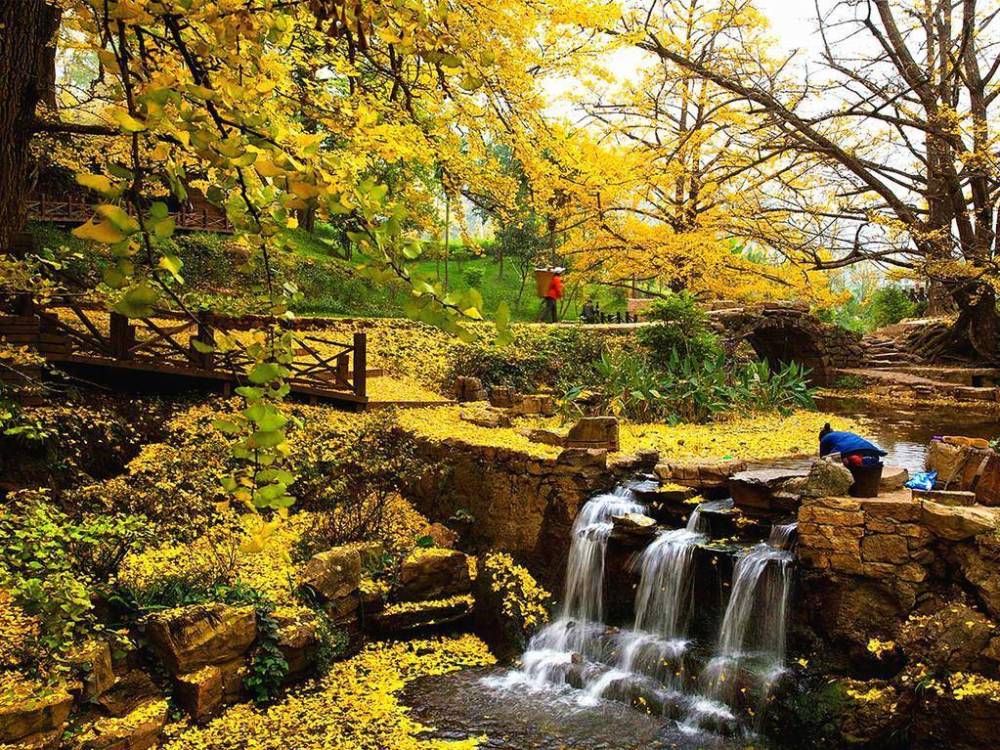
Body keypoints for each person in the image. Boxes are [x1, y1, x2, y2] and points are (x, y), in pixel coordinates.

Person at [819, 423, 887, 467]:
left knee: (828, 462)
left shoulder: (824, 439)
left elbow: (823, 459)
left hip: (852, 452)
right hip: (871, 450)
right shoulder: (844, 434)